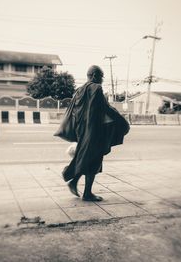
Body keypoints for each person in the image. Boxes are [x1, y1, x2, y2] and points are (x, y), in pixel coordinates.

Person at [55, 65, 130, 201]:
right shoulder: (96, 88)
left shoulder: (79, 90)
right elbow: (104, 108)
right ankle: (85, 191)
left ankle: (74, 182)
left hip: (81, 130)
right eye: (101, 76)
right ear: (95, 75)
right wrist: (121, 120)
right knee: (94, 161)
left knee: (87, 157)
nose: (102, 79)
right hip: (94, 130)